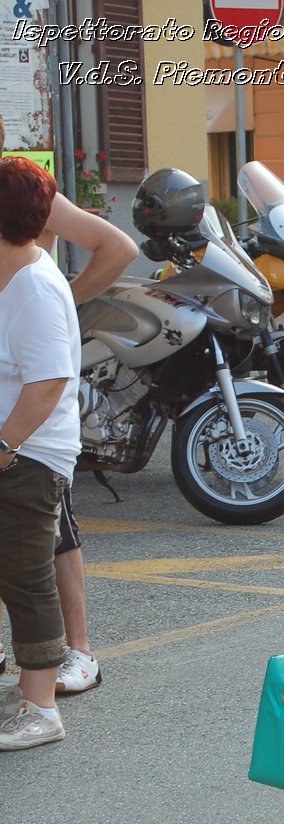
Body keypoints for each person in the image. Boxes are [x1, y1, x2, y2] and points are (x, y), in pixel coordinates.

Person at [0, 114, 138, 693]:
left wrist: (63, 302)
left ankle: (76, 653)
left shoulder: (16, 192)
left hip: (30, 408)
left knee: (46, 531)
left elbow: (118, 245)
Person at [0, 156, 83, 749]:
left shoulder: (33, 284)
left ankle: (40, 708)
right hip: (14, 449)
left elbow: (50, 379)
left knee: (28, 577)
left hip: (28, 455)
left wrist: (3, 446)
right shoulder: (15, 272)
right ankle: (28, 688)